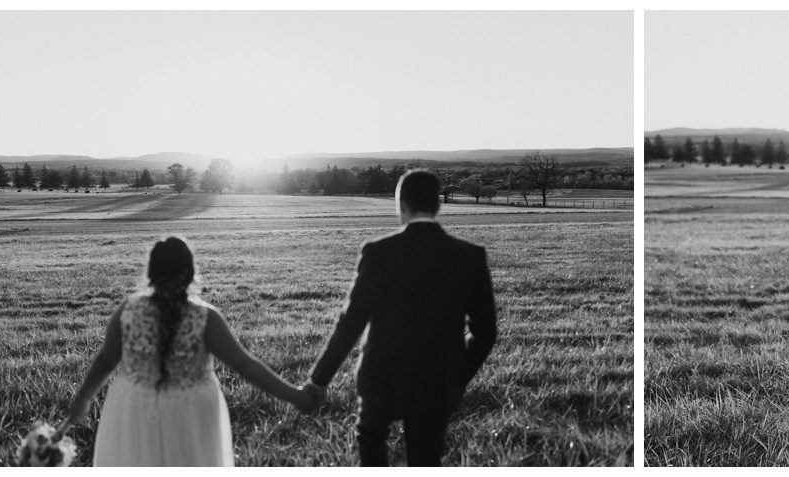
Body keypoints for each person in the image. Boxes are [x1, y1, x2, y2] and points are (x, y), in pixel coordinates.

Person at [64, 236, 318, 466]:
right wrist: (296, 396)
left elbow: (107, 359)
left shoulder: (127, 311)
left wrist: (82, 398)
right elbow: (243, 364)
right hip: (190, 411)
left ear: (151, 272)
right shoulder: (204, 317)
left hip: (134, 406)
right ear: (189, 272)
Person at [306, 170, 498, 466]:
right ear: (438, 205)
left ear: (400, 203)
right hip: (437, 380)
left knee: (371, 441)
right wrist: (457, 372)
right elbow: (485, 332)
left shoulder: (379, 252)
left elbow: (351, 322)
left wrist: (318, 380)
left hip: (380, 376)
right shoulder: (470, 256)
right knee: (426, 459)